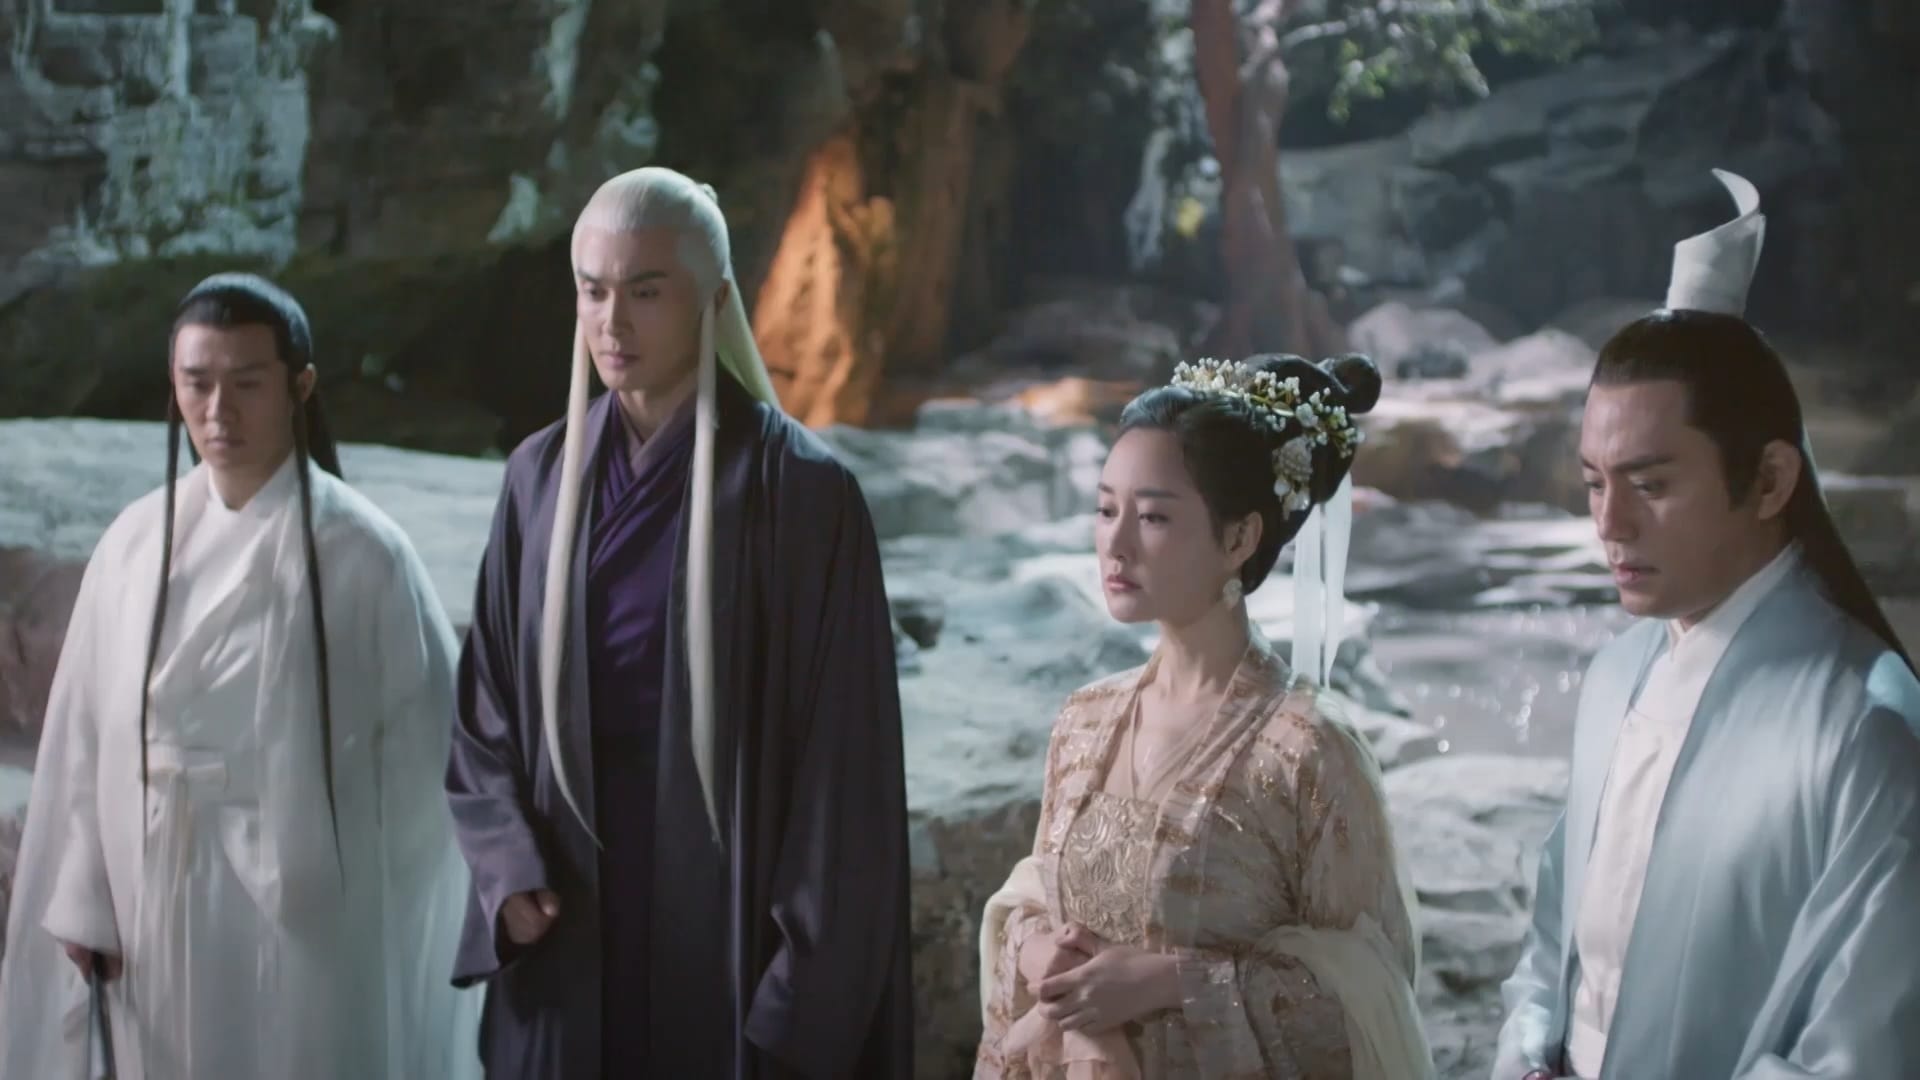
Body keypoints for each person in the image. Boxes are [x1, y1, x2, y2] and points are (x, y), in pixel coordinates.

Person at [444, 166, 913, 1079]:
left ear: (715, 300)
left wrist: (801, 986)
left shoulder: (802, 496)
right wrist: (507, 870)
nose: (612, 323)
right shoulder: (539, 478)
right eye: (593, 291)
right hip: (569, 907)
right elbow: (486, 711)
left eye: (646, 292)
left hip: (728, 922)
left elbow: (844, 771)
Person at [1492, 170, 1920, 1080]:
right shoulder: (1617, 675)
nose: (1610, 525)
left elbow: (1865, 1050)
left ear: (1769, 481)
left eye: (1651, 484)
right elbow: (1552, 948)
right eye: (1594, 483)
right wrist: (1531, 1052)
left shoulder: (1864, 729)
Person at [0, 273, 482, 1080]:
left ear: (300, 386)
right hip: (149, 876)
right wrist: (86, 891)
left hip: (299, 898)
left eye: (247, 384)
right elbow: (85, 736)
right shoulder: (133, 544)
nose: (219, 410)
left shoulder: (364, 555)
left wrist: (344, 883)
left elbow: (429, 755)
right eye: (197, 383)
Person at [976, 352, 1435, 1079]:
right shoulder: (1085, 720)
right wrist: (1035, 950)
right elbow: (1035, 892)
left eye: (1154, 516)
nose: (1116, 543)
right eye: (1106, 509)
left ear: (1240, 538)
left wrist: (1172, 982)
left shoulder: (1306, 750)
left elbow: (1369, 991)